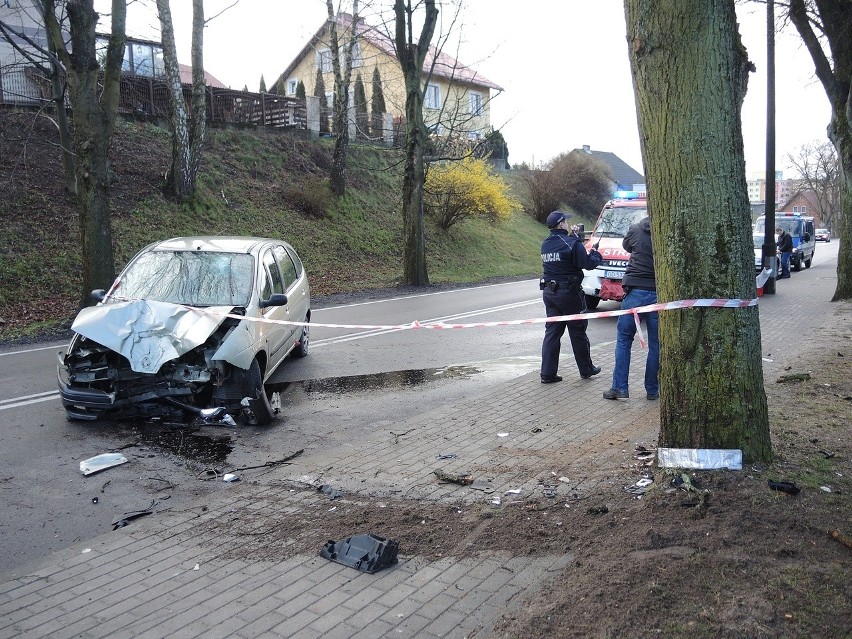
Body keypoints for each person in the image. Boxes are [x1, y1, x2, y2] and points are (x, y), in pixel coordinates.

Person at [540, 210, 603, 383]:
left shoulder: (545, 244)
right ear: (561, 224)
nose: (567, 223)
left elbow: (567, 252)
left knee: (552, 333)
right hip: (569, 294)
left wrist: (575, 237)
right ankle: (586, 369)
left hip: (550, 293)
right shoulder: (571, 243)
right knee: (578, 331)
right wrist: (596, 255)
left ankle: (547, 374)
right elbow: (587, 263)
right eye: (565, 222)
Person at [603, 214, 659, 401]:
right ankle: (652, 390)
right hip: (658, 294)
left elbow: (626, 246)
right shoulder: (666, 231)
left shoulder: (635, 229)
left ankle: (619, 388)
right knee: (656, 344)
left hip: (634, 292)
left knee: (624, 340)